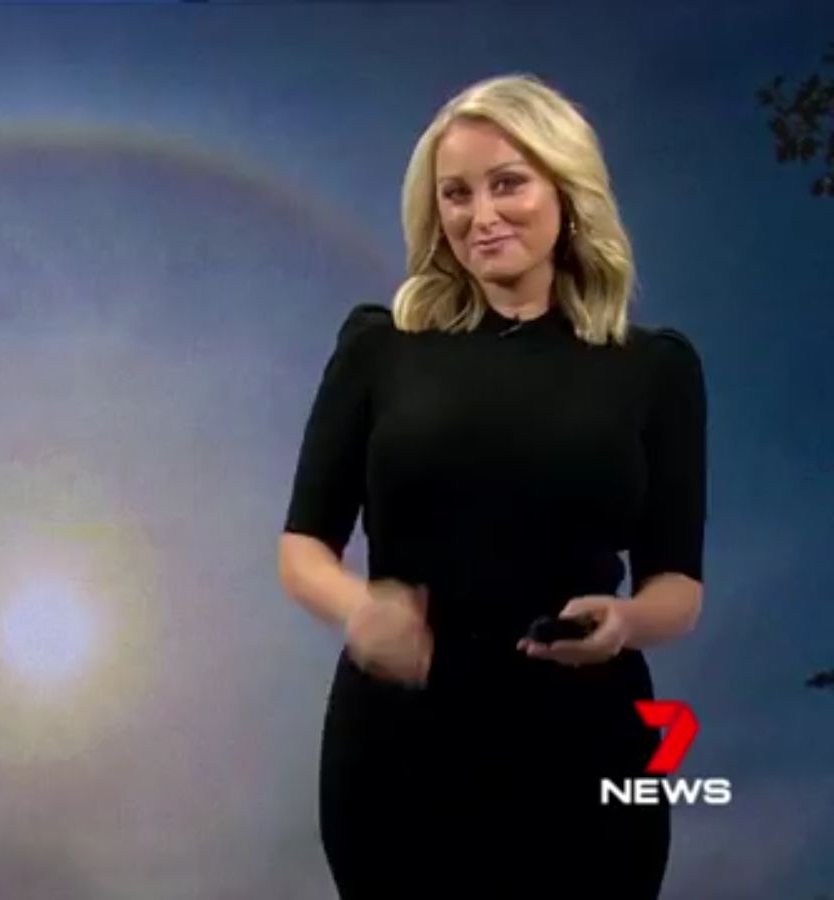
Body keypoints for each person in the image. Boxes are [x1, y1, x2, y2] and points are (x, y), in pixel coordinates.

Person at [276, 73, 707, 899]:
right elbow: (302, 549)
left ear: (567, 191)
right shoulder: (379, 349)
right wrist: (362, 610)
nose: (481, 215)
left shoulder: (656, 369)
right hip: (401, 743)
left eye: (508, 183)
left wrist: (626, 622)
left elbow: (678, 587)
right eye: (456, 194)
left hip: (588, 737)